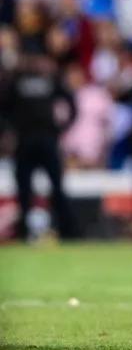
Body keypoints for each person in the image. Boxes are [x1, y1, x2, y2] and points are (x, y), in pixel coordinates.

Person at [2, 51, 78, 242]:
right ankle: (62, 231)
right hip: (38, 141)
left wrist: (10, 130)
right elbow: (71, 104)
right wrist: (62, 127)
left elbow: (3, 110)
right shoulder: (43, 81)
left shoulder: (19, 82)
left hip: (33, 140)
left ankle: (57, 231)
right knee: (35, 190)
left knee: (36, 190)